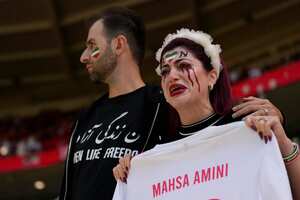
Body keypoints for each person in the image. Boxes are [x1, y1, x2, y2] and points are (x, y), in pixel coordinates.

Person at [59, 7, 286, 200]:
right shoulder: (85, 118)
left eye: (92, 45)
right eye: (165, 71)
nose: (84, 56)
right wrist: (132, 170)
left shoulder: (161, 104)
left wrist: (278, 136)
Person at [113, 28, 300, 199]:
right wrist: (134, 173)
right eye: (165, 71)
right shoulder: (154, 156)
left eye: (183, 65)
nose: (172, 76)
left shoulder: (249, 129)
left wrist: (282, 142)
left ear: (212, 76)